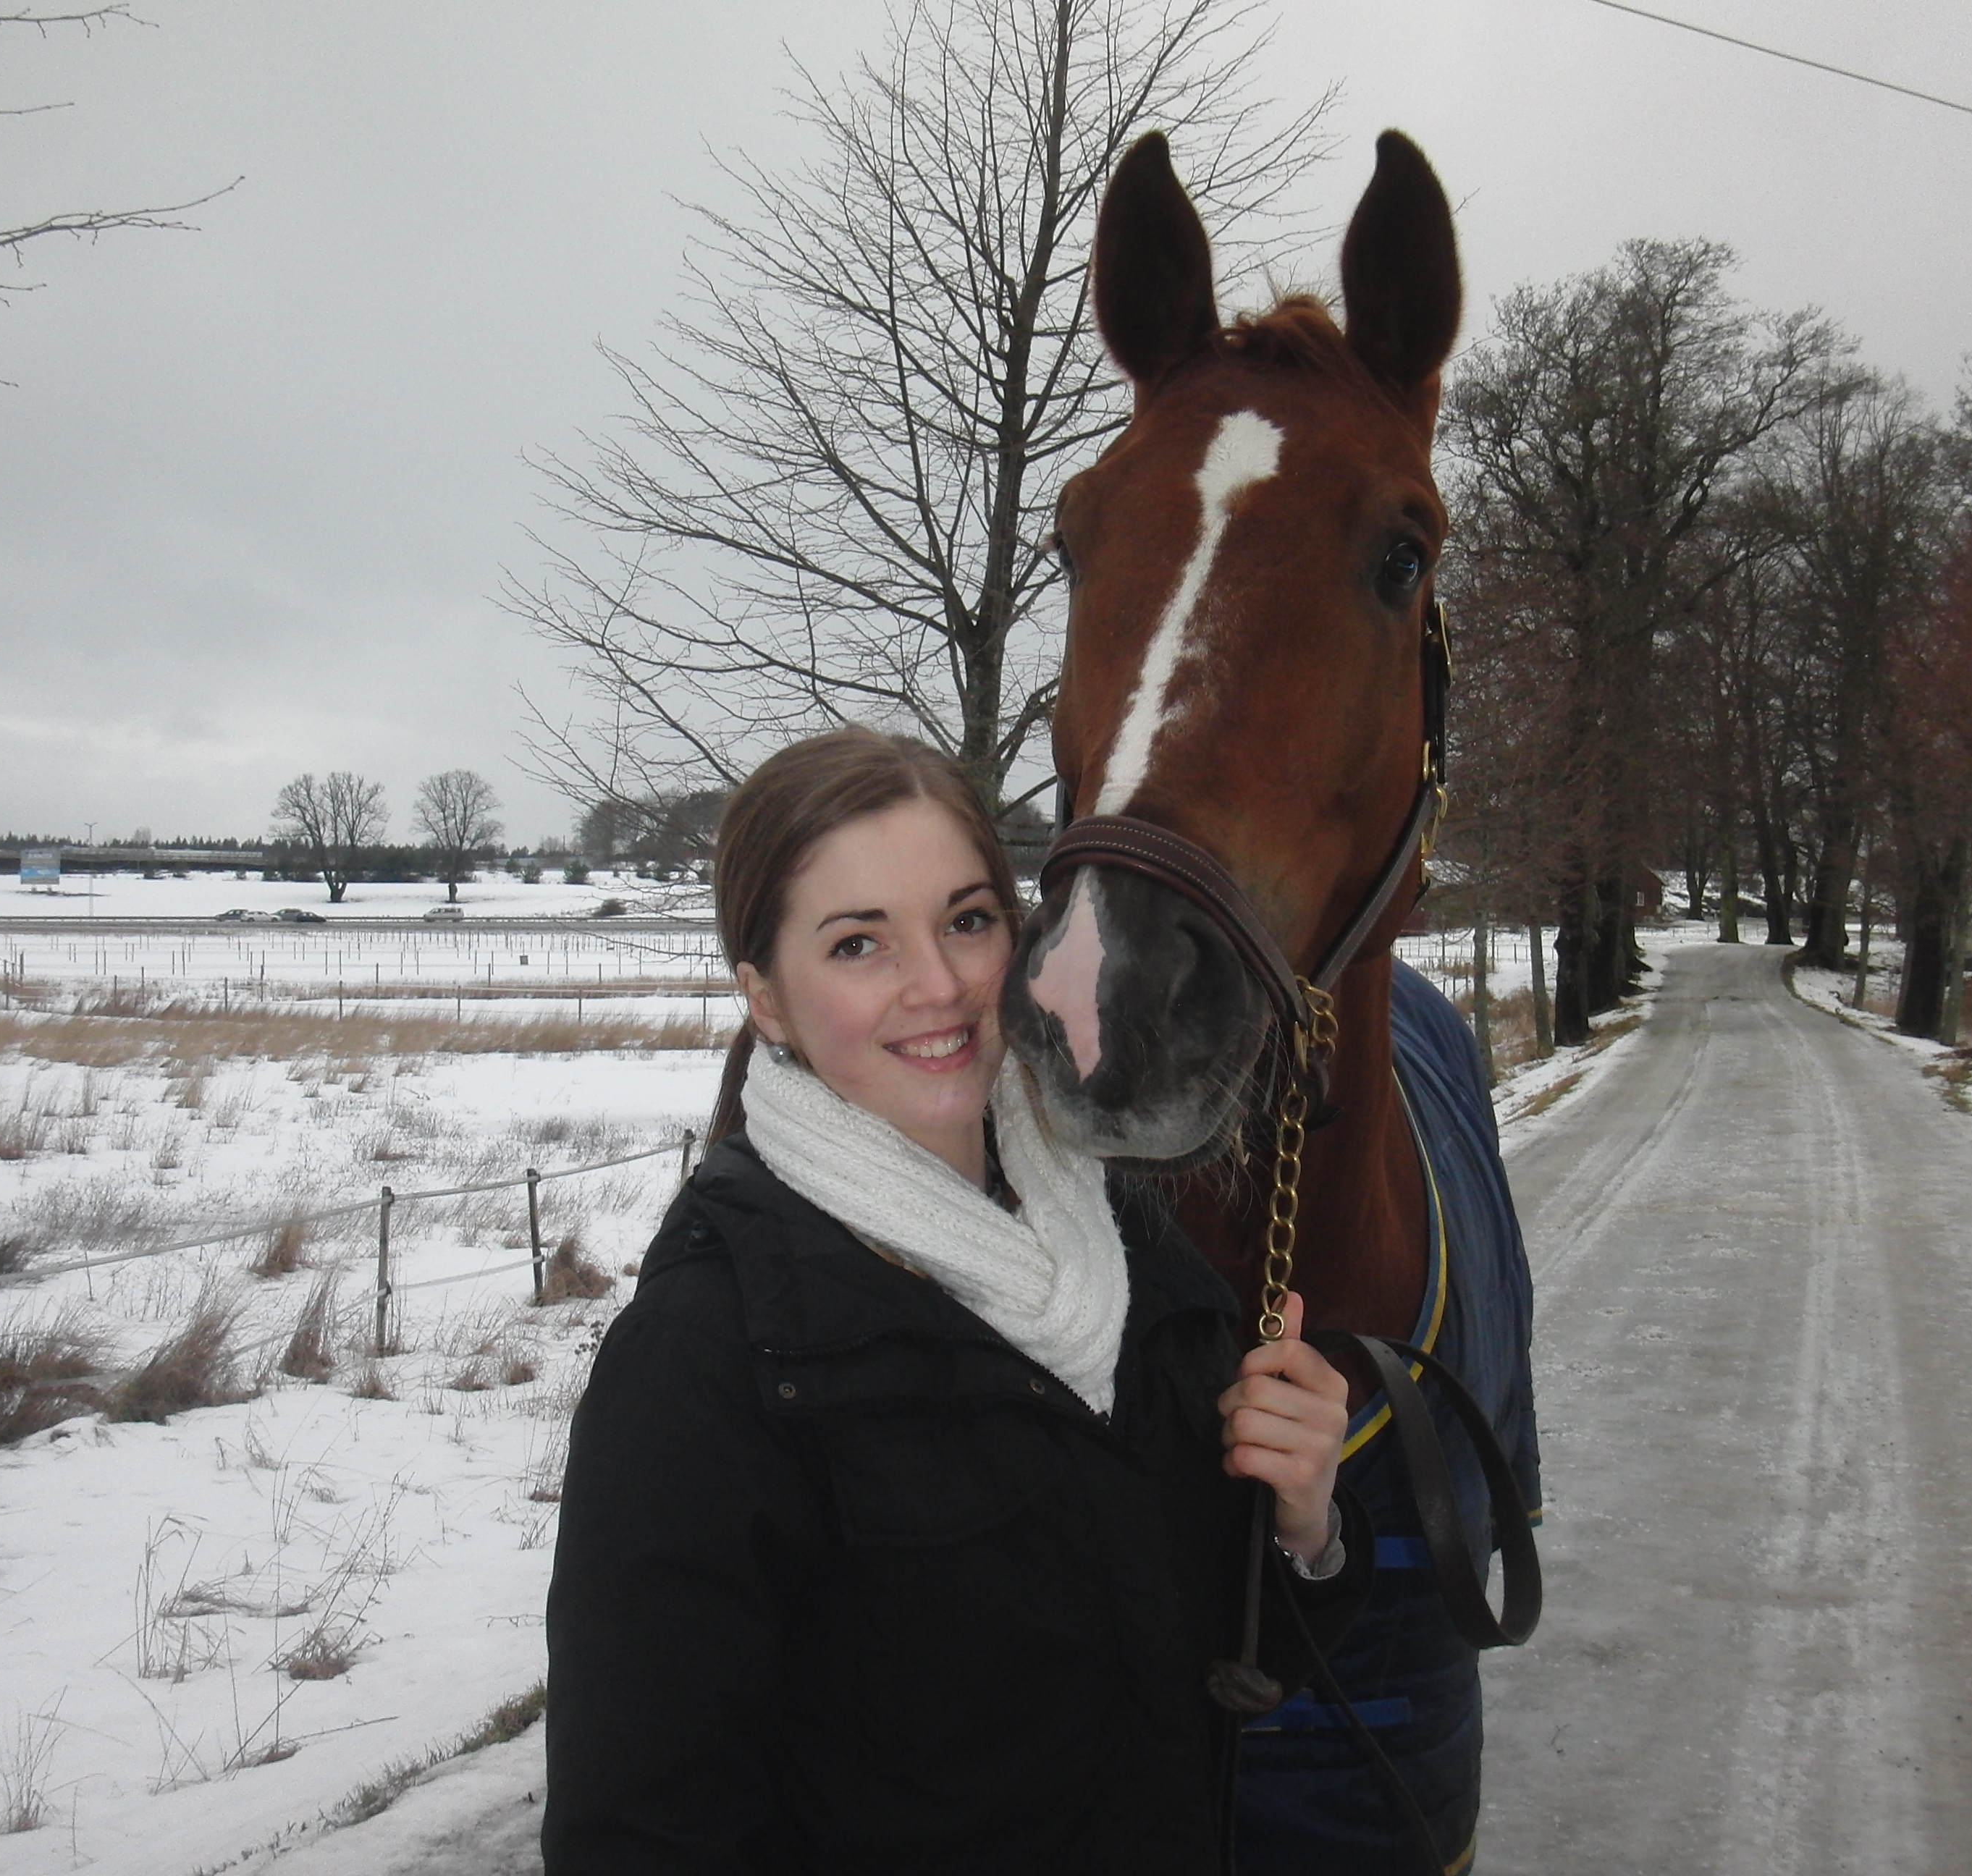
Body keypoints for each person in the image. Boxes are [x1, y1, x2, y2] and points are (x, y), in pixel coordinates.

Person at [542, 729, 1368, 1875]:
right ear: (765, 999)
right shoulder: (710, 1351)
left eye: (969, 921)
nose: (937, 985)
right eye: (858, 943)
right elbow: (640, 1834)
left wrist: (1303, 1526)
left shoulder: (1124, 1232)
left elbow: (1217, 1667)